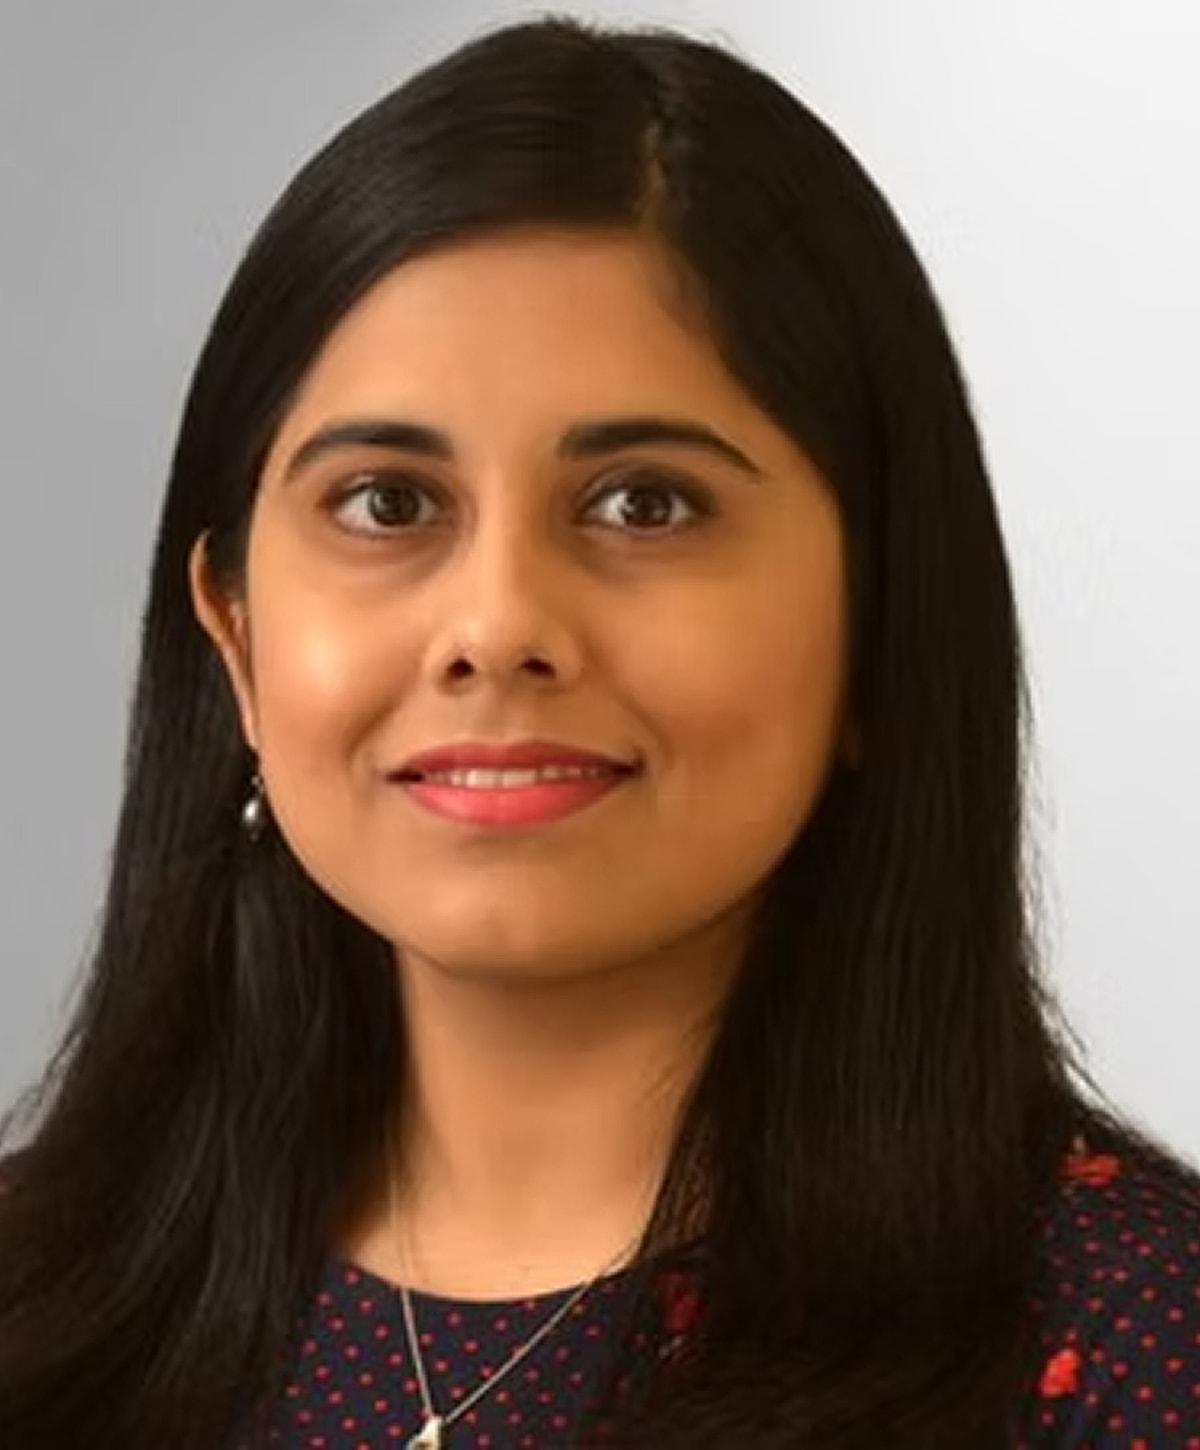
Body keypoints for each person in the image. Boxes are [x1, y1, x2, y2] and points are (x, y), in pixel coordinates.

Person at [1, 13, 1197, 1449]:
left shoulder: (1142, 1352)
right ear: (237, 638)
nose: (499, 623)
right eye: (387, 502)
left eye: (646, 502)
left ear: (883, 619)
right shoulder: (35, 1299)